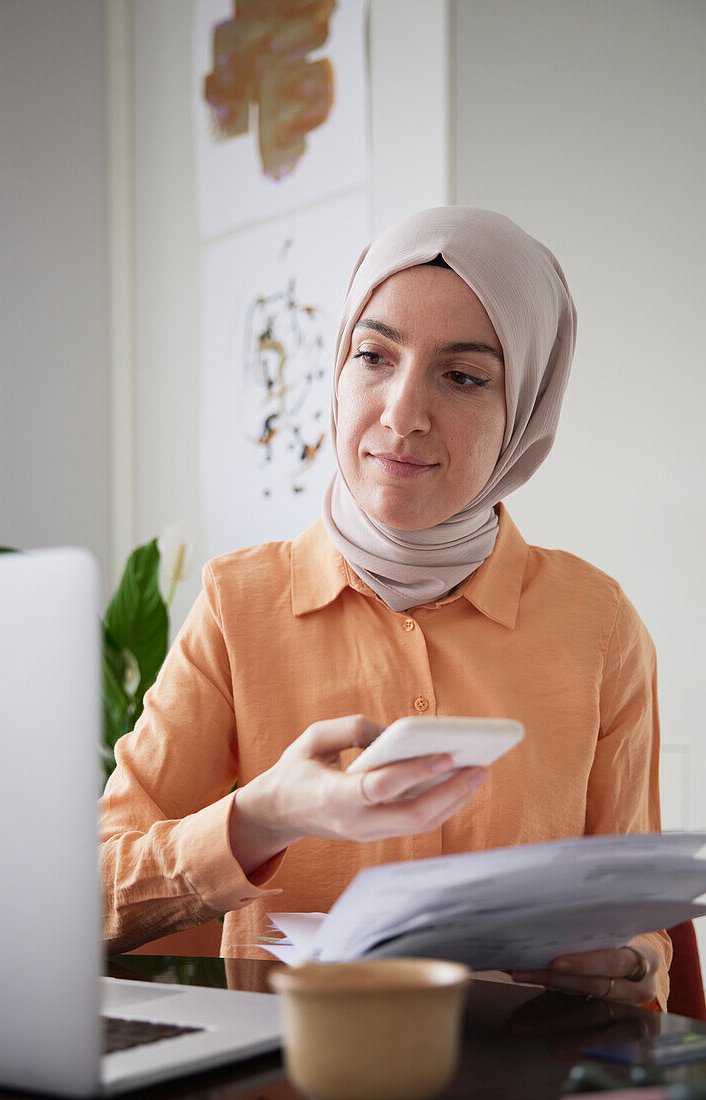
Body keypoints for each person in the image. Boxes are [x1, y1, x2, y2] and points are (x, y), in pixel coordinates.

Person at [99, 206, 671, 1010]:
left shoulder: (599, 625)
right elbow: (88, 896)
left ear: (528, 411)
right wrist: (259, 818)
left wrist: (626, 963)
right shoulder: (239, 604)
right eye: (374, 356)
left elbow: (642, 928)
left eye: (463, 376)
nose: (402, 414)